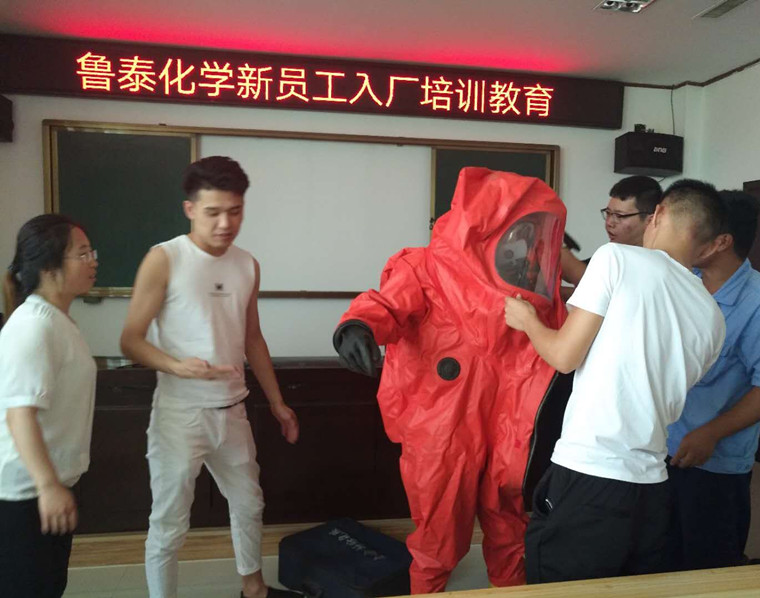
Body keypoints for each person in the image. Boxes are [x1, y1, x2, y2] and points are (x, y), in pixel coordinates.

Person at [334, 168, 568, 592]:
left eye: (533, 231)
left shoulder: (531, 290)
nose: (526, 242)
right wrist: (358, 326)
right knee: (437, 537)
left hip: (507, 427)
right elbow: (387, 304)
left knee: (510, 528)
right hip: (442, 425)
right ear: (485, 229)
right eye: (519, 229)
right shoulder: (425, 269)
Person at [504, 179, 727, 583]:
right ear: (711, 244)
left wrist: (528, 322)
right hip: (653, 486)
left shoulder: (616, 259)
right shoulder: (713, 315)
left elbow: (564, 357)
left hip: (591, 473)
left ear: (657, 215)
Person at [119, 156, 300, 598]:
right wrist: (177, 366)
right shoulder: (164, 259)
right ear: (189, 209)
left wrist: (278, 403)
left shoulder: (247, 264)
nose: (225, 223)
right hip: (180, 413)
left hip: (232, 409)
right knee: (170, 522)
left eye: (235, 211)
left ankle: (253, 588)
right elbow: (130, 340)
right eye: (213, 212)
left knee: (249, 503)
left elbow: (252, 337)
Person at [667, 190, 760, 570]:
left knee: (708, 564)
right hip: (662, 443)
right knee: (659, 550)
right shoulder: (685, 282)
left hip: (712, 459)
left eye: (687, 227)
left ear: (719, 242)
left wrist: (711, 433)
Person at [0, 214, 99, 597]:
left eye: (91, 252)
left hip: (47, 487)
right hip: (24, 493)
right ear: (48, 267)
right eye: (82, 253)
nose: (92, 261)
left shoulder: (57, 321)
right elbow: (19, 414)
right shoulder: (34, 326)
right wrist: (47, 485)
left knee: (48, 585)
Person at [560, 175, 662, 290]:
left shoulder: (657, 262)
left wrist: (559, 247)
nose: (609, 223)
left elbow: (593, 284)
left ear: (650, 220)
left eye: (619, 216)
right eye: (608, 213)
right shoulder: (614, 253)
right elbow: (579, 275)